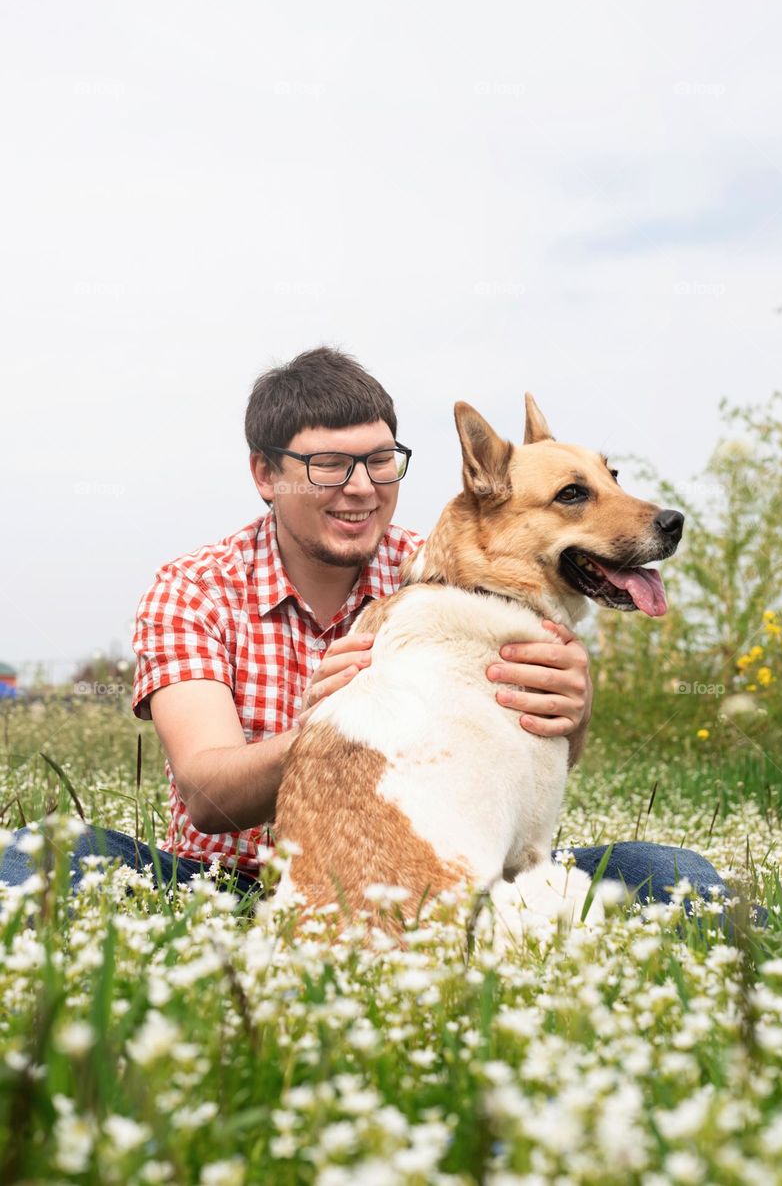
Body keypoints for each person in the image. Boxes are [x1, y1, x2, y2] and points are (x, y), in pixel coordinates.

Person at [0, 347, 731, 914]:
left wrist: (572, 712)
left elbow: (523, 772)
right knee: (34, 854)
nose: (361, 486)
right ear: (266, 473)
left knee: (675, 877)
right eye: (328, 465)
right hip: (229, 882)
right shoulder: (194, 590)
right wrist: (332, 732)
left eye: (380, 461)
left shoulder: (464, 571)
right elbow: (206, 796)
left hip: (424, 868)